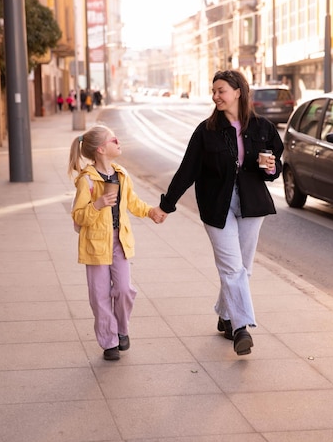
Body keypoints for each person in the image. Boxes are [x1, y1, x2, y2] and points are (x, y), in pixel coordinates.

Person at [158, 70, 284, 356]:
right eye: (214, 91)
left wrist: (271, 167)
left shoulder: (263, 127)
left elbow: (275, 170)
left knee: (243, 269)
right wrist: (167, 205)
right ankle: (240, 328)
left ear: (238, 91)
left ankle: (225, 315)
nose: (215, 96)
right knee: (232, 267)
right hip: (217, 206)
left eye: (221, 90)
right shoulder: (206, 131)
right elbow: (187, 170)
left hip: (252, 205)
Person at [68, 123, 164, 361]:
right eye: (114, 140)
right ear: (101, 149)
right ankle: (109, 341)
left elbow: (132, 202)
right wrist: (97, 204)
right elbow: (78, 216)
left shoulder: (121, 174)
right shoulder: (87, 181)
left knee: (124, 290)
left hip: (119, 242)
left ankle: (122, 329)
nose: (118, 142)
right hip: (95, 244)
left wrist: (150, 211)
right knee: (99, 295)